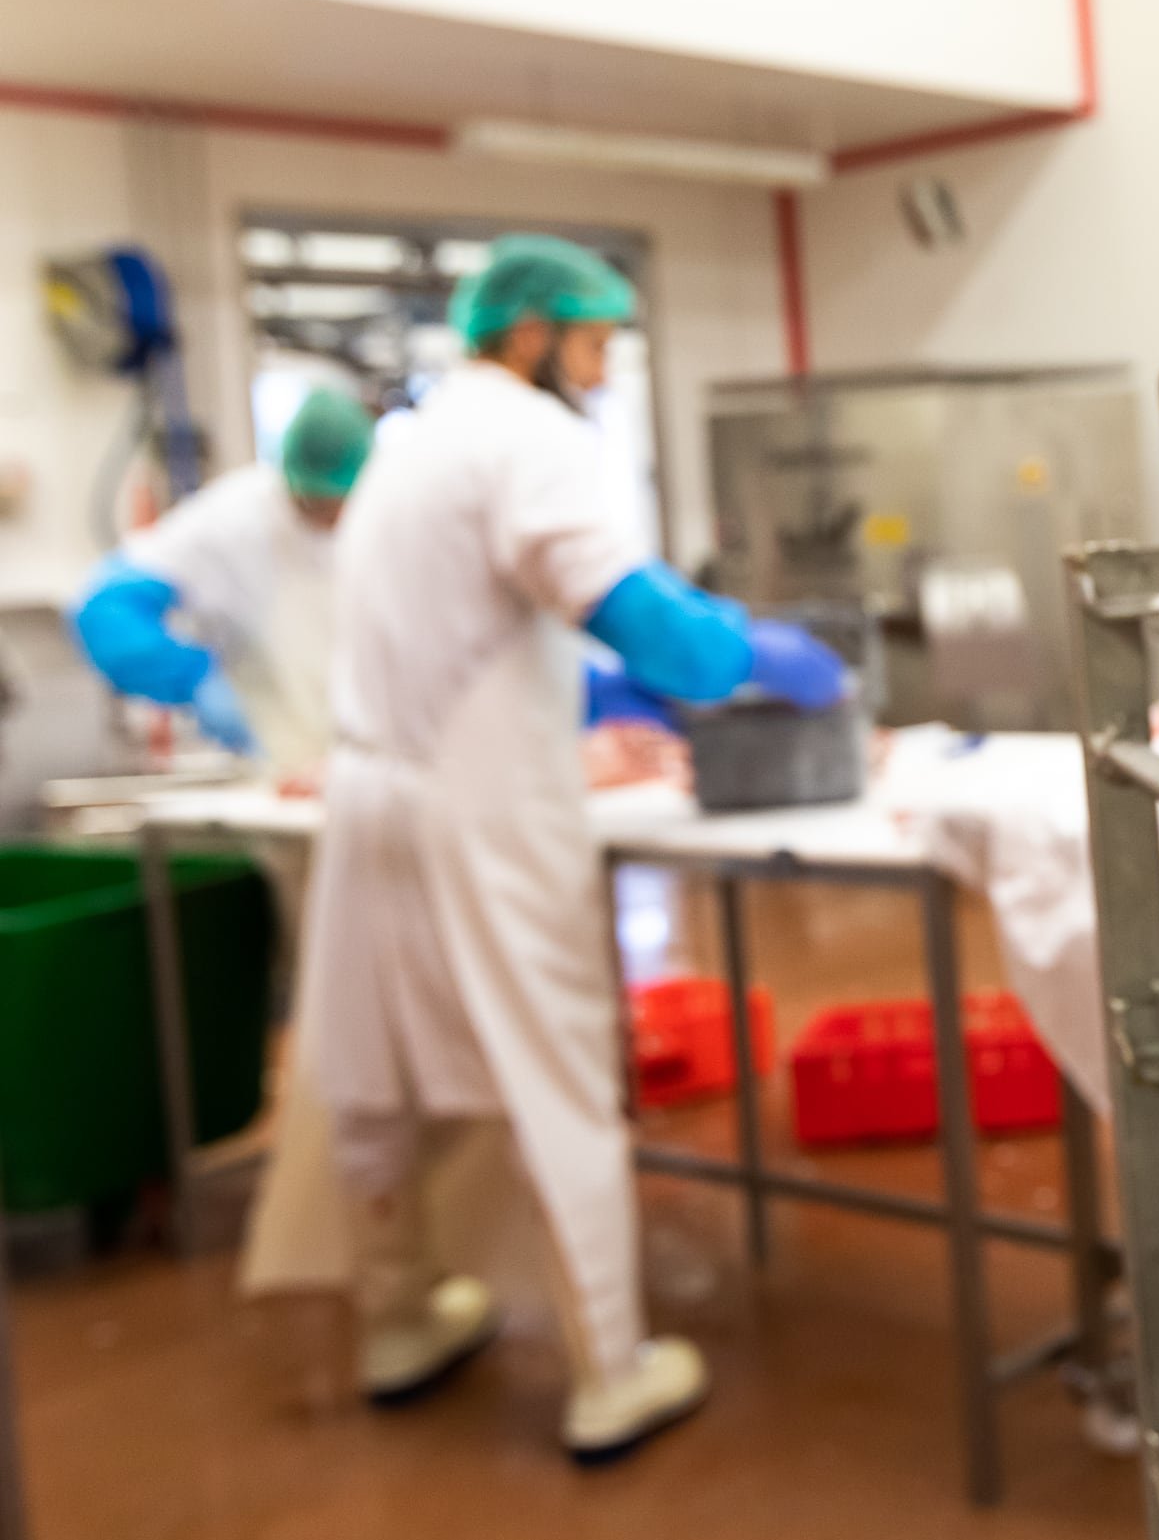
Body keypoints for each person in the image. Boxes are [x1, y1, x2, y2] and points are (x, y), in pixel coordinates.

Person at [296, 235, 846, 1463]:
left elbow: (475, 621)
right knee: (559, 1072)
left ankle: (395, 1322)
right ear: (532, 329)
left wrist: (592, 695)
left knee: (373, 1071)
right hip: (479, 810)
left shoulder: (414, 439)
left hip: (373, 791)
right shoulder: (529, 437)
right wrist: (747, 654)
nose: (600, 374)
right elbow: (629, 604)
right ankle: (613, 1366)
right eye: (594, 344)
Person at [70, 386, 375, 777]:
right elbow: (105, 608)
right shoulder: (233, 520)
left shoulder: (385, 522)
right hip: (271, 765)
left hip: (366, 770)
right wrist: (195, 680)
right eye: (315, 502)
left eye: (341, 502)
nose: (331, 515)